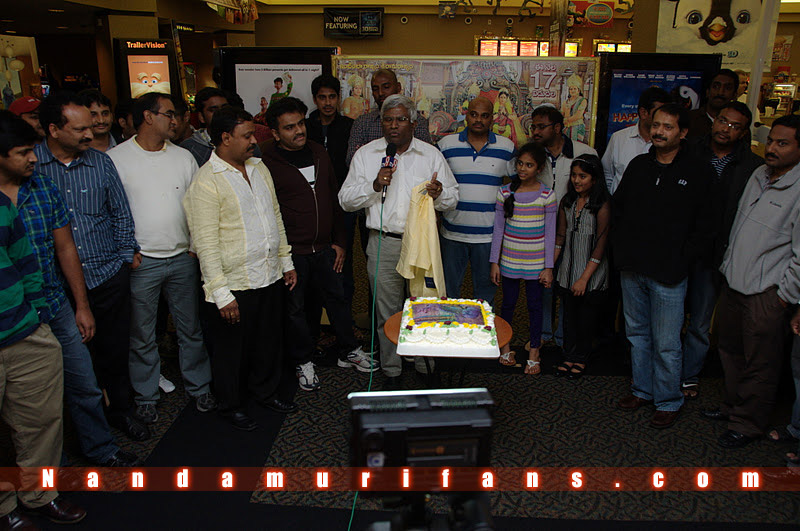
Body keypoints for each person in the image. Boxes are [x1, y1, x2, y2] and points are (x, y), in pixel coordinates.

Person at [0, 110, 141, 468]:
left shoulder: (42, 188)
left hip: (53, 300)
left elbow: (65, 248)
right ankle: (46, 468)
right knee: (27, 402)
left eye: (32, 150)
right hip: (12, 316)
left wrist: (81, 305)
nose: (33, 158)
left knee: (84, 382)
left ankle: (100, 448)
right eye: (23, 152)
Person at [35, 92, 149, 441]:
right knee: (69, 362)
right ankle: (82, 425)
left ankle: (121, 411)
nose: (91, 134)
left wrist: (122, 259)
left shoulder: (101, 163)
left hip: (106, 275)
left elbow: (121, 214)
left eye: (91, 127)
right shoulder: (32, 165)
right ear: (54, 129)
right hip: (57, 285)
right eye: (80, 129)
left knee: (114, 350)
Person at [184, 106, 298, 431]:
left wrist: (285, 261)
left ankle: (265, 392)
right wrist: (221, 294)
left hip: (268, 274)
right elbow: (205, 244)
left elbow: (275, 216)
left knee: (267, 341)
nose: (254, 141)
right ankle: (231, 405)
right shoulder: (206, 182)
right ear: (225, 138)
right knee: (231, 351)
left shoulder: (259, 168)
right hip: (234, 284)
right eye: (247, 136)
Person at [108, 93, 216, 424]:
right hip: (142, 262)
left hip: (183, 257)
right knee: (142, 334)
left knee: (190, 329)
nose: (175, 120)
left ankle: (200, 387)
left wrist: (195, 246)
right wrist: (127, 251)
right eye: (169, 114)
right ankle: (146, 396)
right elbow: (111, 212)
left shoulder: (183, 158)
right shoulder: (116, 159)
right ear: (147, 116)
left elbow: (197, 205)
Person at [339, 94, 458, 390]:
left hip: (423, 243)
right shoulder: (367, 154)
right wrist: (374, 184)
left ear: (413, 123)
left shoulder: (430, 155)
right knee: (387, 312)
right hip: (384, 242)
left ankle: (424, 366)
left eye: (401, 119)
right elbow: (345, 200)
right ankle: (392, 370)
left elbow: (453, 198)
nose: (394, 125)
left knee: (424, 308)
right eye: (388, 119)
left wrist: (439, 194)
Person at [262, 97, 377, 391]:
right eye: (289, 127)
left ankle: (349, 349)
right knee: (296, 309)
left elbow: (333, 199)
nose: (299, 131)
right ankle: (303, 360)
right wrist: (280, 255)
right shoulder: (265, 161)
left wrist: (339, 241)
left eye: (300, 123)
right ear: (275, 133)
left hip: (326, 249)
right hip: (292, 253)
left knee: (338, 299)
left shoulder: (318, 152)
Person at [613, 103, 713, 429]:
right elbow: (619, 209)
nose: (659, 131)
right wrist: (622, 249)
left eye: (668, 127)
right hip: (633, 267)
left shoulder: (698, 171)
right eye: (656, 125)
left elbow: (707, 224)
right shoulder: (640, 165)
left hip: (670, 272)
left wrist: (684, 258)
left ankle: (668, 400)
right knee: (636, 334)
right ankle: (642, 390)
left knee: (667, 342)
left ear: (683, 133)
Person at [0, 150, 86, 527]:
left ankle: (39, 494)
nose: (33, 157)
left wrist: (36, 315)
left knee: (41, 422)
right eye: (22, 151)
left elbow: (26, 261)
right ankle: (4, 508)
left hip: (24, 331)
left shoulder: (4, 205)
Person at [705, 114, 800, 448]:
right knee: (730, 351)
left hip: (767, 294)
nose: (772, 148)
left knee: (760, 362)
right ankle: (732, 408)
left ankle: (748, 424)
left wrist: (783, 296)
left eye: (782, 143)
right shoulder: (759, 173)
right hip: (734, 284)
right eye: (771, 141)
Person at [681, 101, 763, 400]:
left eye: (735, 126)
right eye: (723, 121)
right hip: (680, 249)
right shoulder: (689, 150)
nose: (726, 129)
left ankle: (688, 376)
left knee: (700, 323)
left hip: (715, 255)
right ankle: (665, 372)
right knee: (670, 318)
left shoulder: (752, 166)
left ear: (743, 133)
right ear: (714, 120)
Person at [530, 105, 597, 348]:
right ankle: (545, 333)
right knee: (544, 284)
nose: (535, 132)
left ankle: (563, 336)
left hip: (575, 233)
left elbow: (596, 191)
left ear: (558, 128)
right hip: (541, 232)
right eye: (533, 126)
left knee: (569, 285)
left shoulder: (584, 152)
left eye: (541, 127)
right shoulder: (534, 154)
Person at [438, 96, 515, 302]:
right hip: (452, 234)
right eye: (473, 114)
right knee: (448, 295)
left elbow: (521, 183)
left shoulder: (507, 148)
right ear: (466, 116)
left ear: (492, 118)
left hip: (488, 237)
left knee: (485, 297)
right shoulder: (446, 145)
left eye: (484, 115)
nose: (478, 120)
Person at [491, 142, 556, 376]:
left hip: (536, 264)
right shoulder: (505, 192)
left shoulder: (547, 195)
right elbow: (498, 229)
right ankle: (505, 347)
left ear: (539, 168)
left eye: (529, 165)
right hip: (509, 261)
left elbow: (550, 234)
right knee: (508, 305)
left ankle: (534, 352)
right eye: (520, 163)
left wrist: (548, 267)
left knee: (535, 307)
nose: (522, 168)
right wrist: (494, 262)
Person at [553, 154, 610, 378]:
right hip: (568, 271)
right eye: (574, 175)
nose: (577, 180)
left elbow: (600, 246)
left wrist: (584, 279)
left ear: (594, 179)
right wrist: (549, 266)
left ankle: (581, 358)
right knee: (568, 317)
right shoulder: (567, 202)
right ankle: (568, 355)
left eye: (583, 176)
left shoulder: (602, 205)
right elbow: (560, 237)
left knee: (586, 320)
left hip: (591, 275)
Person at [346, 69, 433, 165]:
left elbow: (426, 156)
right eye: (375, 89)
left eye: (386, 87)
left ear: (398, 87)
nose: (380, 93)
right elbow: (353, 161)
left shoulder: (417, 121)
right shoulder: (362, 123)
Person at [602, 87, 672, 194]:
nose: (663, 118)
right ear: (643, 113)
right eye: (658, 113)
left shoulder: (667, 141)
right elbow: (607, 174)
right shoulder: (618, 138)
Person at [181, 86, 228, 166]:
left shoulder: (243, 141)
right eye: (213, 110)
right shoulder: (188, 149)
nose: (221, 113)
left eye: (225, 108)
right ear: (201, 117)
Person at [687, 69, 739, 139]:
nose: (720, 92)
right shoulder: (689, 119)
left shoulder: (738, 126)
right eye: (716, 87)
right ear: (707, 92)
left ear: (734, 95)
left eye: (727, 88)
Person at [561, 74, 588, 143]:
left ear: (578, 90)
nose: (572, 91)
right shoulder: (565, 102)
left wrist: (565, 120)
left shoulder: (582, 101)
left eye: (574, 89)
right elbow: (561, 114)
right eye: (571, 89)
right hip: (566, 128)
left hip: (577, 128)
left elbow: (578, 116)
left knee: (576, 147)